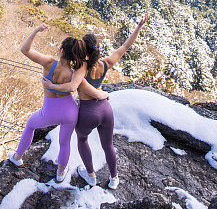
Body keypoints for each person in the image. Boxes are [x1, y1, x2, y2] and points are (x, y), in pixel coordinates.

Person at [44, 15, 148, 190]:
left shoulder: (80, 69)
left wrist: (51, 85)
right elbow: (125, 46)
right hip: (106, 110)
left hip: (88, 112)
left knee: (82, 139)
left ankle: (90, 175)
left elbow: (70, 87)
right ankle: (114, 178)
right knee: (108, 145)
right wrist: (138, 27)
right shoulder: (105, 63)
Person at [8, 24, 108, 182]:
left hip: (49, 111)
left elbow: (25, 50)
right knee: (64, 142)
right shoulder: (76, 72)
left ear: (61, 51)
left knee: (30, 125)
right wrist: (102, 95)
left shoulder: (49, 63)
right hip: (70, 111)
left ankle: (17, 157)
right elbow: (82, 89)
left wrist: (35, 31)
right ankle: (61, 173)